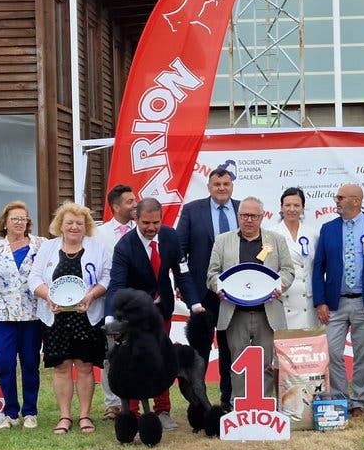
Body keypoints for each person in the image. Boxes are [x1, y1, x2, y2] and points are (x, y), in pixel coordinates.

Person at [107, 197, 204, 429]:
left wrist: (195, 304)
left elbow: (182, 273)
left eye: (156, 223)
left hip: (161, 310)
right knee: (132, 362)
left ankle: (163, 411)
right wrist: (110, 317)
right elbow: (116, 285)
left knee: (162, 359)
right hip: (133, 316)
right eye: (146, 223)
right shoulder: (124, 247)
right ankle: (131, 414)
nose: (151, 228)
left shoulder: (170, 237)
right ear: (136, 219)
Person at [313, 184, 364, 418]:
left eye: (341, 197)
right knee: (332, 351)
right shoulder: (328, 229)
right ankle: (340, 397)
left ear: (356, 201)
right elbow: (319, 267)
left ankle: (359, 399)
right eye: (336, 197)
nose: (336, 200)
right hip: (335, 303)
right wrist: (320, 301)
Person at [29, 201, 111, 435]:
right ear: (60, 225)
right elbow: (34, 278)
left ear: (86, 226)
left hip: (87, 315)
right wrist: (48, 297)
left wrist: (92, 295)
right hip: (55, 318)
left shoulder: (98, 248)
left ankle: (85, 415)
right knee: (61, 366)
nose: (74, 227)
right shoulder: (48, 248)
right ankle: (64, 416)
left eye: (79, 223)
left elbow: (107, 277)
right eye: (69, 223)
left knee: (85, 366)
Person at [208, 197, 294, 403]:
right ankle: (239, 406)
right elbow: (212, 274)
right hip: (235, 313)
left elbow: (288, 271)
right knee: (238, 362)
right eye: (244, 215)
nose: (248, 220)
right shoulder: (222, 241)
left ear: (262, 217)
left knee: (266, 363)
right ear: (238, 216)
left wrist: (279, 286)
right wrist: (219, 287)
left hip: (267, 312)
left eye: (253, 216)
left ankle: (263, 404)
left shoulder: (276, 240)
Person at [0, 201, 45, 429]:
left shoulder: (41, 245)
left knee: (30, 364)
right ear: (5, 222)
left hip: (32, 317)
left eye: (23, 218)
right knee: (4, 364)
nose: (19, 222)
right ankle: (11, 413)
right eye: (14, 218)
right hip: (3, 318)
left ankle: (30, 412)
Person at [177, 166, 241, 409]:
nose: (222, 188)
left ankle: (228, 400)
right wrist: (182, 285)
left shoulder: (243, 210)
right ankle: (198, 402)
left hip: (235, 294)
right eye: (217, 184)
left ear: (231, 186)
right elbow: (179, 252)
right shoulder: (192, 210)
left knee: (229, 347)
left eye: (226, 184)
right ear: (209, 187)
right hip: (201, 293)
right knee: (200, 351)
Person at [94, 184, 137, 420]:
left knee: (137, 352)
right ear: (116, 207)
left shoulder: (142, 229)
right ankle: (112, 404)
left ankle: (136, 400)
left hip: (138, 302)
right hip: (109, 302)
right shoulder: (98, 234)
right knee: (111, 354)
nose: (135, 205)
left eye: (135, 200)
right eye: (129, 202)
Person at [269, 187, 320, 329]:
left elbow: (318, 267)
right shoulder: (271, 234)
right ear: (281, 207)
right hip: (283, 298)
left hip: (307, 301)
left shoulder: (313, 234)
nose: (292, 209)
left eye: (296, 205)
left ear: (303, 208)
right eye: (288, 205)